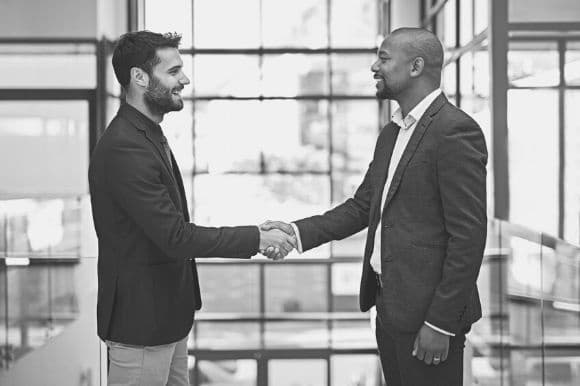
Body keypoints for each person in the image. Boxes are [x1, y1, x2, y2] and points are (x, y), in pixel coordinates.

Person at [262, 27, 487, 386]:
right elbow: (362, 206)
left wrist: (440, 323)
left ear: (415, 66)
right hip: (390, 311)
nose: (373, 66)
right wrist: (297, 232)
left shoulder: (455, 131)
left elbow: (469, 237)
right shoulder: (392, 132)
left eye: (383, 58)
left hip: (430, 321)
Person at [88, 30, 295, 386]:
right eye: (173, 71)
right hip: (141, 327)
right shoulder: (126, 146)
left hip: (166, 319)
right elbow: (176, 236)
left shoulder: (147, 134)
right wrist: (257, 239)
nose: (184, 79)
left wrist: (257, 235)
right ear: (139, 77)